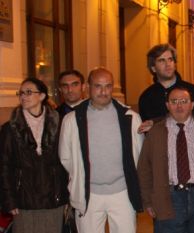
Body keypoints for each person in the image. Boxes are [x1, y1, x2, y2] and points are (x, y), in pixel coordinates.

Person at [59, 68, 144, 233]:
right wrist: (80, 176)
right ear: (88, 87)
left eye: (108, 86)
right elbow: (66, 157)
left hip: (122, 193)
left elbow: (139, 153)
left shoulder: (130, 117)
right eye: (98, 86)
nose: (103, 91)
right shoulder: (72, 120)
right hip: (89, 195)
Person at [0, 78, 69, 233]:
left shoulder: (59, 124)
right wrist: (9, 201)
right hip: (24, 198)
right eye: (21, 93)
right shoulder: (10, 128)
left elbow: (67, 162)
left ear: (42, 96)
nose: (23, 96)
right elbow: (4, 167)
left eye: (29, 92)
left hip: (54, 197)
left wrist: (68, 194)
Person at [138, 86, 194, 233]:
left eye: (184, 101)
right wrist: (148, 201)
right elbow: (144, 168)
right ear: (167, 105)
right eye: (174, 101)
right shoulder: (156, 132)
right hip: (169, 198)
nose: (179, 105)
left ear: (192, 105)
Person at [138, 44, 194, 132]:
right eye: (162, 60)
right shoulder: (146, 98)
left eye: (170, 59)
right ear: (153, 68)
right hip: (160, 145)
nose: (168, 64)